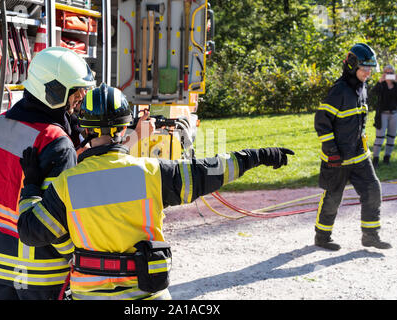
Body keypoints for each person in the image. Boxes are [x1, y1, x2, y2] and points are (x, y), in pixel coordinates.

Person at [17, 83, 295, 300]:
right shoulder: (151, 173)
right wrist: (256, 156)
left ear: (84, 128)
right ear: (126, 126)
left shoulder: (68, 184)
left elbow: (30, 231)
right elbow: (209, 171)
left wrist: (31, 185)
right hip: (149, 292)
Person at [0, 47, 96, 300]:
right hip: (39, 275)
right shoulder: (57, 143)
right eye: (75, 91)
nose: (81, 97)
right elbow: (55, 224)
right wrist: (78, 257)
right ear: (53, 91)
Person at [314, 43, 391, 251]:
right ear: (352, 66)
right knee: (333, 197)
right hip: (336, 158)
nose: (368, 73)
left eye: (370, 69)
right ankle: (322, 237)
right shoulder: (338, 91)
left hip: (359, 156)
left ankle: (370, 235)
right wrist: (331, 151)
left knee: (373, 190)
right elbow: (322, 122)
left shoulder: (362, 88)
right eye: (364, 68)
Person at [371, 64, 397, 168]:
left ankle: (387, 158)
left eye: (391, 73)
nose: (389, 74)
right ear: (383, 73)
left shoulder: (395, 85)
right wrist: (379, 81)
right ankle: (375, 159)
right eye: (387, 72)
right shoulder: (381, 85)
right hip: (382, 114)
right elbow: (372, 93)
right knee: (380, 137)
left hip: (394, 114)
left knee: (391, 137)